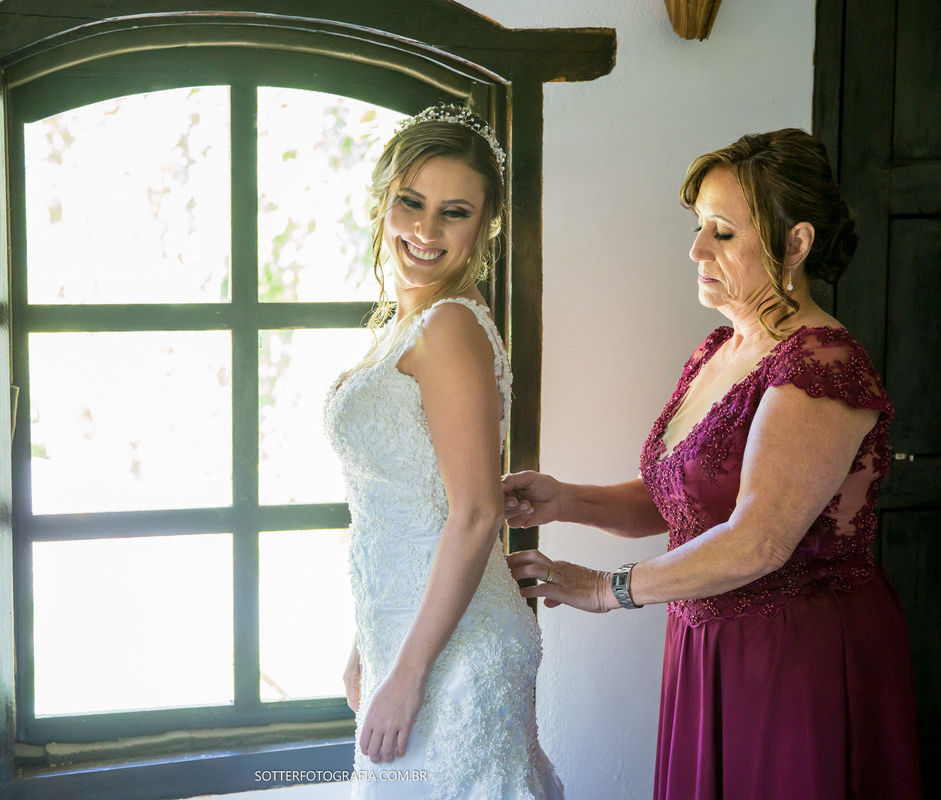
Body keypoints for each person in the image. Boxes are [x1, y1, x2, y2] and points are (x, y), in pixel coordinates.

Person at [502, 128, 922, 799]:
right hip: (708, 640)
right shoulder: (721, 349)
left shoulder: (821, 366)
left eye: (722, 232)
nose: (695, 249)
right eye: (699, 226)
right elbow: (679, 500)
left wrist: (602, 589)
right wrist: (565, 500)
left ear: (796, 244)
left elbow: (758, 538)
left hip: (792, 656)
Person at [324, 105, 562, 799]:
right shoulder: (408, 324)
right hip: (409, 633)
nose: (425, 231)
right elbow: (398, 508)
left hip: (454, 654)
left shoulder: (451, 326)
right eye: (411, 202)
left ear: (483, 226)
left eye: (453, 212)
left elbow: (477, 513)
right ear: (383, 201)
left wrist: (409, 673)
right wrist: (367, 644)